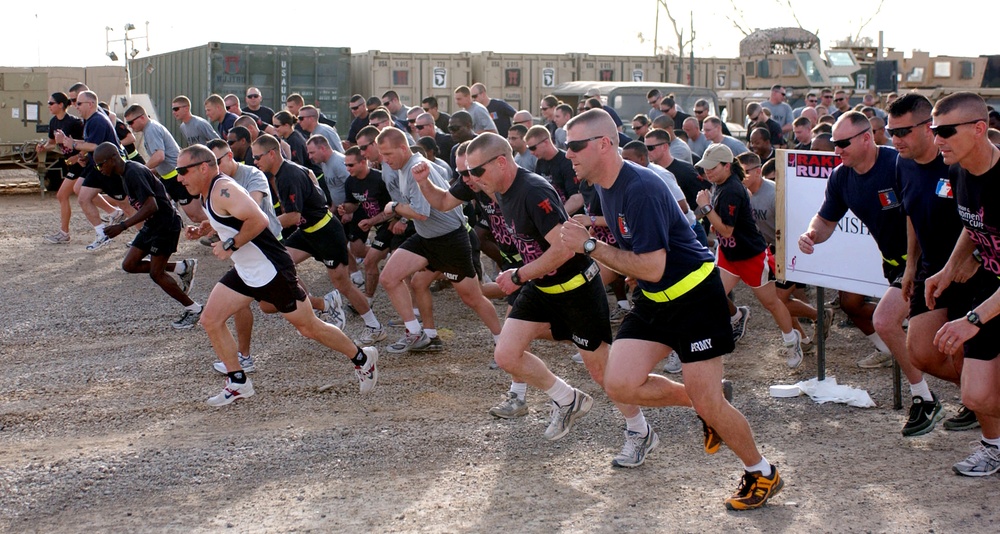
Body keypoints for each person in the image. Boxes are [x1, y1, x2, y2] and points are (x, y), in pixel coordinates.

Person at [558, 109, 784, 509]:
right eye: (566, 145)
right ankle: (702, 402)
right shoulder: (602, 186)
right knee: (620, 383)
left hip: (695, 297)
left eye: (575, 146)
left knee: (710, 403)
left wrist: (589, 246)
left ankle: (762, 472)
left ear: (603, 144)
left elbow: (654, 264)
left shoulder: (639, 187)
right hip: (655, 297)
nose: (568, 154)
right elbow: (640, 257)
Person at [176, 144, 378, 405]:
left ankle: (363, 358)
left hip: (271, 269)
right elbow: (230, 219)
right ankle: (238, 382)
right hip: (247, 271)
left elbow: (258, 220)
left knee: (309, 327)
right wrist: (205, 228)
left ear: (203, 168)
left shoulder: (224, 190)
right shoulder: (206, 192)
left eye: (183, 170)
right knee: (211, 320)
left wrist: (230, 244)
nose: (179, 177)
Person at [798, 111, 933, 436]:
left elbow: (923, 212)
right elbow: (826, 219)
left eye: (842, 143)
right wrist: (812, 234)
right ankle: (963, 401)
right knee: (937, 342)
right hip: (896, 264)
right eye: (834, 143)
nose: (836, 150)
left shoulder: (897, 165)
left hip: (927, 259)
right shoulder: (842, 177)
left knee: (886, 321)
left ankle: (926, 399)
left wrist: (917, 263)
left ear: (866, 139)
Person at [888, 93, 985, 435]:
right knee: (921, 352)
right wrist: (912, 265)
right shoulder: (903, 164)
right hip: (933, 268)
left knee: (963, 351)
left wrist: (972, 258)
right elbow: (912, 214)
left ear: (927, 127)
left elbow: (981, 220)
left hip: (975, 272)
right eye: (891, 133)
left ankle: (981, 405)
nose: (896, 140)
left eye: (903, 132)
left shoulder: (958, 160)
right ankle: (981, 397)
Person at [921, 92, 1000, 475]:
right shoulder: (958, 170)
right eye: (935, 130)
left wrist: (972, 319)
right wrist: (949, 269)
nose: (937, 139)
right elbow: (974, 223)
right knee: (976, 394)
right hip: (989, 286)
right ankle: (993, 448)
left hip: (992, 298)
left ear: (979, 129)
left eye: (946, 131)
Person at [374, 127, 502, 352]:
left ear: (403, 148)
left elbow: (421, 213)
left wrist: (394, 208)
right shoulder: (404, 166)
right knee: (394, 278)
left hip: (450, 240)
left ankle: (503, 341)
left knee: (473, 297)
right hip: (426, 238)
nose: (384, 159)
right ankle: (421, 335)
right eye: (381, 154)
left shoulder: (417, 168)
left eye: (388, 154)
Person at [252, 134, 386, 346]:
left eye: (257, 157)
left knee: (343, 284)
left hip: (325, 232)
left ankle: (374, 326)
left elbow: (293, 217)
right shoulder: (283, 172)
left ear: (271, 154)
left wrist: (259, 225)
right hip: (308, 231)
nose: (255, 162)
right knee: (279, 263)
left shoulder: (288, 175)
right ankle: (321, 306)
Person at [694, 144, 805, 368]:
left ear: (727, 166)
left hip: (750, 256)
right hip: (728, 253)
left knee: (772, 303)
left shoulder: (732, 189)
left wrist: (705, 208)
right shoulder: (720, 184)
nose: (708, 173)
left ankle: (793, 341)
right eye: (705, 169)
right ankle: (734, 319)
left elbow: (726, 229)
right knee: (710, 297)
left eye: (712, 168)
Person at [92, 142, 202, 329]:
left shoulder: (134, 172)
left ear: (112, 159)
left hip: (165, 225)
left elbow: (152, 206)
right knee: (129, 264)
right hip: (153, 224)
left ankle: (195, 309)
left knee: (156, 274)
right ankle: (182, 267)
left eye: (100, 164)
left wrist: (122, 226)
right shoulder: (125, 174)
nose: (99, 169)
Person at [53, 90, 129, 251]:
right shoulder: (90, 121)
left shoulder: (97, 121)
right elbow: (92, 144)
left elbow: (96, 146)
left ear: (91, 104)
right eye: (74, 102)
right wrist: (82, 153)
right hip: (98, 166)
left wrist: (71, 144)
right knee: (82, 195)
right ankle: (102, 233)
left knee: (127, 205)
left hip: (112, 167)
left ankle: (148, 234)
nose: (75, 106)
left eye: (78, 103)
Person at [123, 105, 207, 225]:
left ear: (142, 118)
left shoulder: (151, 129)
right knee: (158, 208)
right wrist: (154, 171)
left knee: (196, 215)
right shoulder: (149, 129)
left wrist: (142, 170)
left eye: (131, 122)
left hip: (178, 177)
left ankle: (223, 233)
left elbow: (159, 156)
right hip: (168, 178)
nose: (130, 126)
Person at [38, 92, 86, 244]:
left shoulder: (74, 123)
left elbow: (88, 143)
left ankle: (64, 233)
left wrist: (78, 157)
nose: (49, 106)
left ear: (61, 105)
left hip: (82, 163)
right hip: (72, 163)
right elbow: (52, 142)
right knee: (82, 194)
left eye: (51, 103)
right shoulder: (53, 122)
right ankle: (114, 212)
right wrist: (43, 148)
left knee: (64, 195)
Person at [524, 125, 583, 215]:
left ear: (546, 142)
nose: (531, 152)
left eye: (533, 148)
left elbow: (577, 198)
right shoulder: (540, 162)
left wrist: (558, 216)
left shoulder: (566, 161)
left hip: (570, 218)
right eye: (529, 149)